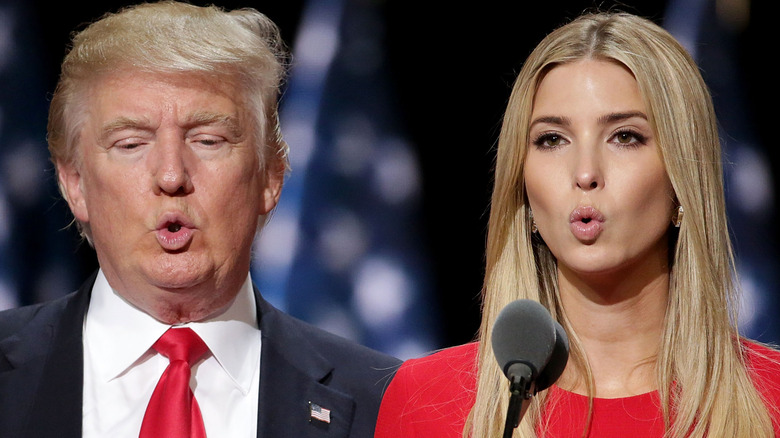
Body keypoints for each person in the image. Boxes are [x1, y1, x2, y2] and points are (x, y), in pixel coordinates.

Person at [0, 2, 400, 437]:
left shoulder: (383, 402)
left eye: (208, 140)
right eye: (131, 143)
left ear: (270, 176)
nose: (172, 175)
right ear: (75, 183)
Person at [375, 10, 780, 438]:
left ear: (682, 185)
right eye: (552, 139)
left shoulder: (771, 401)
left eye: (625, 136)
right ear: (523, 188)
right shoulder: (426, 401)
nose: (585, 173)